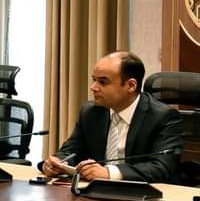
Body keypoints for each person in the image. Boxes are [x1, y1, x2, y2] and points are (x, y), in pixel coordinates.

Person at [42, 51, 182, 183]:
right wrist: (58, 162)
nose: (93, 87)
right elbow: (71, 150)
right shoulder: (90, 112)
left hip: (142, 194)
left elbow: (161, 167)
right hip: (94, 190)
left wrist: (109, 173)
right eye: (94, 80)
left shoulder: (163, 117)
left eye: (103, 82)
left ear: (131, 85)